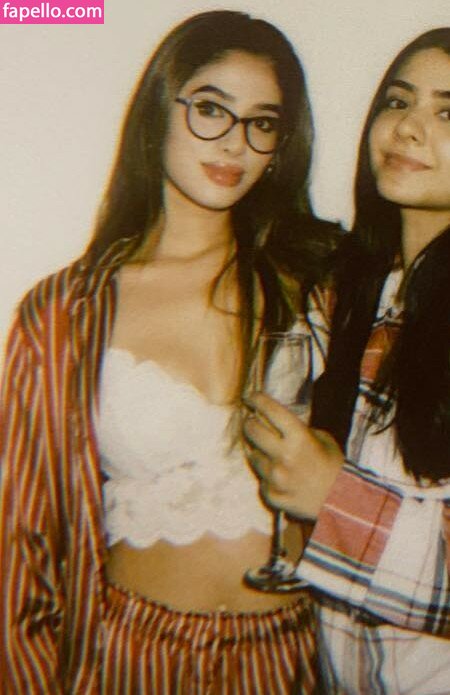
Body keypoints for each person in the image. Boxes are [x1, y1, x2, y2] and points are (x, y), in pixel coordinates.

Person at [0, 10, 338, 693]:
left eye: (262, 123)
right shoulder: (67, 312)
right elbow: (21, 544)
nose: (234, 142)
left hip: (293, 657)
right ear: (159, 112)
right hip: (131, 654)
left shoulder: (320, 284)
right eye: (210, 109)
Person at [245, 27, 450, 693]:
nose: (410, 126)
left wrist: (332, 497)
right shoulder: (355, 295)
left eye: (449, 112)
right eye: (398, 101)